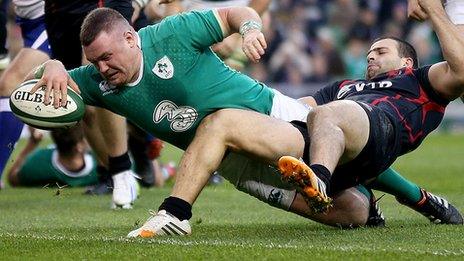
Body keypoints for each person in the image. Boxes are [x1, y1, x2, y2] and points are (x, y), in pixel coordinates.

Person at [0, 0, 51, 186]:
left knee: (9, 84)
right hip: (29, 21)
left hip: (50, 18)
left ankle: (120, 172)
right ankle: (117, 172)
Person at [7, 125, 101, 188]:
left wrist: (32, 143)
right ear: (79, 146)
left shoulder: (39, 161)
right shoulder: (100, 164)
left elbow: (12, 179)